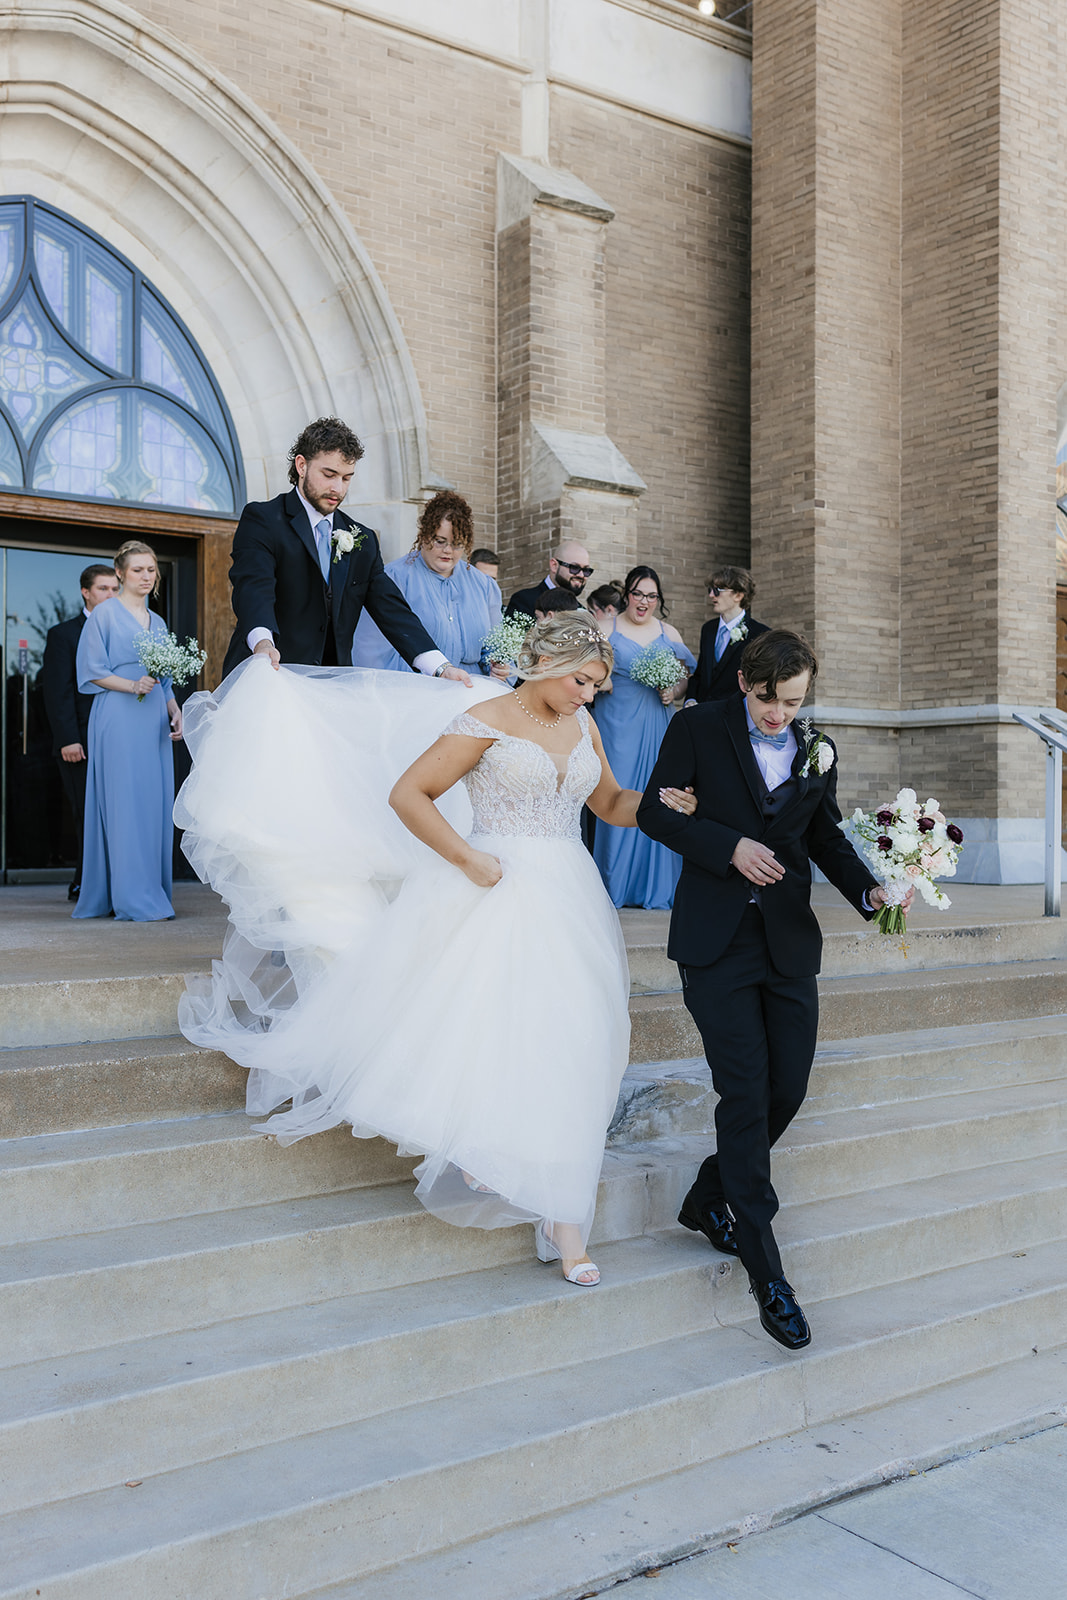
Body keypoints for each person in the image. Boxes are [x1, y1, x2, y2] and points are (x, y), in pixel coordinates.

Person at [176, 614, 698, 1288]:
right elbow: (409, 794)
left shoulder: (582, 725)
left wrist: (659, 803)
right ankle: (493, 1151)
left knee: (571, 1038)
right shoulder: (481, 718)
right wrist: (466, 856)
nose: (588, 696)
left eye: (596, 686)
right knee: (490, 1027)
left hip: (570, 895)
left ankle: (563, 1214)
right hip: (492, 884)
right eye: (581, 681)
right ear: (541, 659)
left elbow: (609, 803)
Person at [638, 629, 910, 1350]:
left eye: (792, 702)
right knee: (743, 1093)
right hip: (715, 945)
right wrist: (727, 844)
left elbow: (821, 837)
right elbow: (653, 813)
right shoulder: (695, 726)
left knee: (784, 1091)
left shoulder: (815, 748)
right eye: (769, 700)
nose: (780, 715)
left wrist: (873, 892)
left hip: (787, 944)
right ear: (744, 686)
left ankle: (705, 1196)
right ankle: (768, 1274)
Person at [221, 417, 471, 685]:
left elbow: (392, 610)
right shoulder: (264, 519)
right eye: (329, 475)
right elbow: (253, 589)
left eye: (346, 478)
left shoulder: (362, 539)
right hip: (268, 677)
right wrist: (262, 644)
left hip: (331, 688)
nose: (338, 489)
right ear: (301, 465)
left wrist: (440, 667)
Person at [74, 541, 184, 921]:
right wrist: (132, 685)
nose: (146, 576)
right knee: (123, 803)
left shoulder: (160, 622)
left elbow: (165, 681)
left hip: (152, 719)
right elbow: (91, 671)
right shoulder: (103, 615)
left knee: (151, 804)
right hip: (117, 716)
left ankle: (149, 888)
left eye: (151, 570)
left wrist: (174, 710)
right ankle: (130, 897)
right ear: (119, 573)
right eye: (138, 570)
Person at [592, 566, 696, 909]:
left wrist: (674, 690)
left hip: (658, 722)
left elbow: (684, 677)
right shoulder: (606, 628)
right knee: (616, 794)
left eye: (652, 596)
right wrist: (598, 682)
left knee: (659, 794)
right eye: (638, 594)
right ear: (627, 595)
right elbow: (583, 669)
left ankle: (657, 888)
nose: (644, 602)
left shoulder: (669, 632)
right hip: (617, 723)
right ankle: (614, 886)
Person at [352, 492, 506, 680]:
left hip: (472, 691)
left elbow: (496, 646)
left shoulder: (484, 586)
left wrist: (500, 667)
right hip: (415, 691)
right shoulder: (392, 579)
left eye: (457, 544)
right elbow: (370, 653)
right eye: (440, 541)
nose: (448, 550)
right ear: (424, 534)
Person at [41, 562, 120, 900]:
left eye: (115, 589)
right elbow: (57, 691)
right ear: (86, 592)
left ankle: (111, 882)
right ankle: (86, 882)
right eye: (104, 589)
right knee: (85, 813)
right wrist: (68, 738)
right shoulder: (63, 634)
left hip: (117, 739)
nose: (111, 595)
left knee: (113, 811)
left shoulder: (125, 630)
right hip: (81, 741)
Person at [691, 566, 769, 704]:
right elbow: (699, 674)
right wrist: (690, 700)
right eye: (710, 590)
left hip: (735, 715)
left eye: (717, 591)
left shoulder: (760, 634)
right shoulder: (708, 629)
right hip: (703, 713)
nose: (711, 595)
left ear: (738, 595)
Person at [505, 541, 594, 619]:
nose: (581, 575)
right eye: (574, 568)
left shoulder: (582, 612)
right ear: (554, 565)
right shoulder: (524, 600)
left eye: (586, 570)